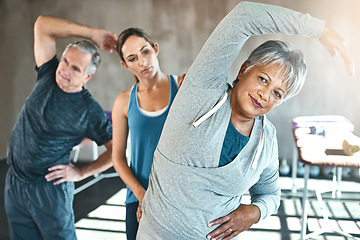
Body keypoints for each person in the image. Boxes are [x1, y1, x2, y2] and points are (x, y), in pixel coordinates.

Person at [136, 2, 354, 240]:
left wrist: (256, 212)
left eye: (277, 93)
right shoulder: (202, 91)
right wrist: (318, 29)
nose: (265, 94)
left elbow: (271, 194)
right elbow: (244, 16)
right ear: (243, 69)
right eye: (263, 79)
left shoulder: (266, 139)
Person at [4, 15, 117, 240]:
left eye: (75, 68)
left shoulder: (88, 110)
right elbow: (42, 25)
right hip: (15, 182)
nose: (64, 70)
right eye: (65, 61)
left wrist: (82, 172)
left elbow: (118, 152)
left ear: (88, 76)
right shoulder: (48, 73)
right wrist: (92, 34)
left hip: (49, 190)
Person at [111, 28, 182, 240]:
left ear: (155, 48)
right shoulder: (123, 101)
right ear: (125, 65)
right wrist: (142, 196)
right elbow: (117, 158)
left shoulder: (182, 86)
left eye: (145, 52)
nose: (142, 62)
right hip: (139, 198)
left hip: (179, 197)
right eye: (132, 58)